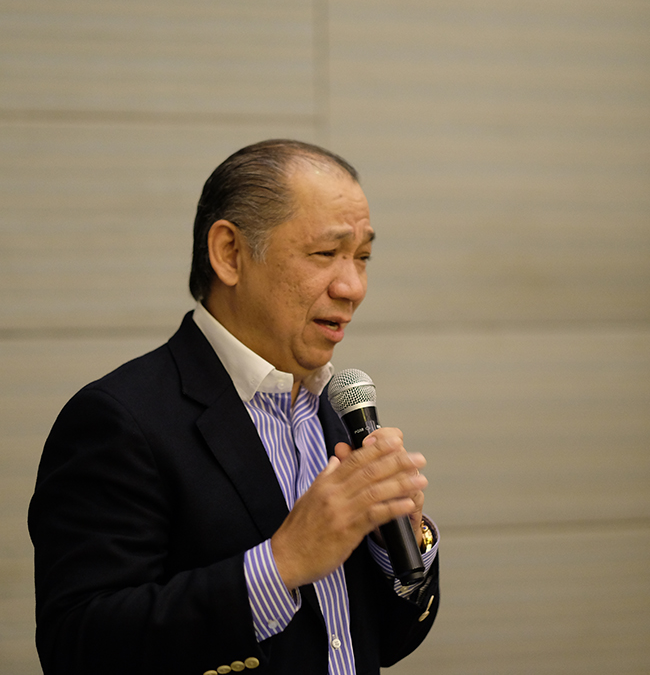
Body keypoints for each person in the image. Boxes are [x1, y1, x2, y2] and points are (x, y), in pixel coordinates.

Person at [28, 139, 440, 675]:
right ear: (229, 254)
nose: (352, 287)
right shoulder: (119, 421)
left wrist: (399, 544)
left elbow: (372, 643)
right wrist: (282, 563)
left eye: (362, 257)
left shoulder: (335, 413)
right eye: (325, 254)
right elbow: (78, 648)